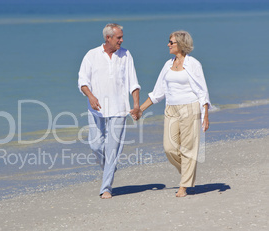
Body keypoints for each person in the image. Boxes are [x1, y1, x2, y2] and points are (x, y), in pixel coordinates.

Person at [137, 30, 211, 197]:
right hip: (171, 109)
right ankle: (187, 172)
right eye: (169, 42)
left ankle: (184, 186)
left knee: (188, 149)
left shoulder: (193, 64)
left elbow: (202, 92)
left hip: (190, 109)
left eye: (172, 42)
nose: (168, 45)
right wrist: (140, 109)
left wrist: (205, 114)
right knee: (169, 148)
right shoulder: (167, 65)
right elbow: (157, 92)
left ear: (182, 44)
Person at [78, 23, 142, 199]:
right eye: (118, 37)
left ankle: (106, 188)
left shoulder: (126, 55)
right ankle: (110, 167)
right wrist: (90, 96)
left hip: (119, 109)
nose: (122, 40)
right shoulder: (91, 55)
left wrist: (136, 106)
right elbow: (83, 81)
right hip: (96, 109)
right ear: (108, 38)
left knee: (112, 150)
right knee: (95, 145)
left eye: (121, 37)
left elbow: (133, 83)